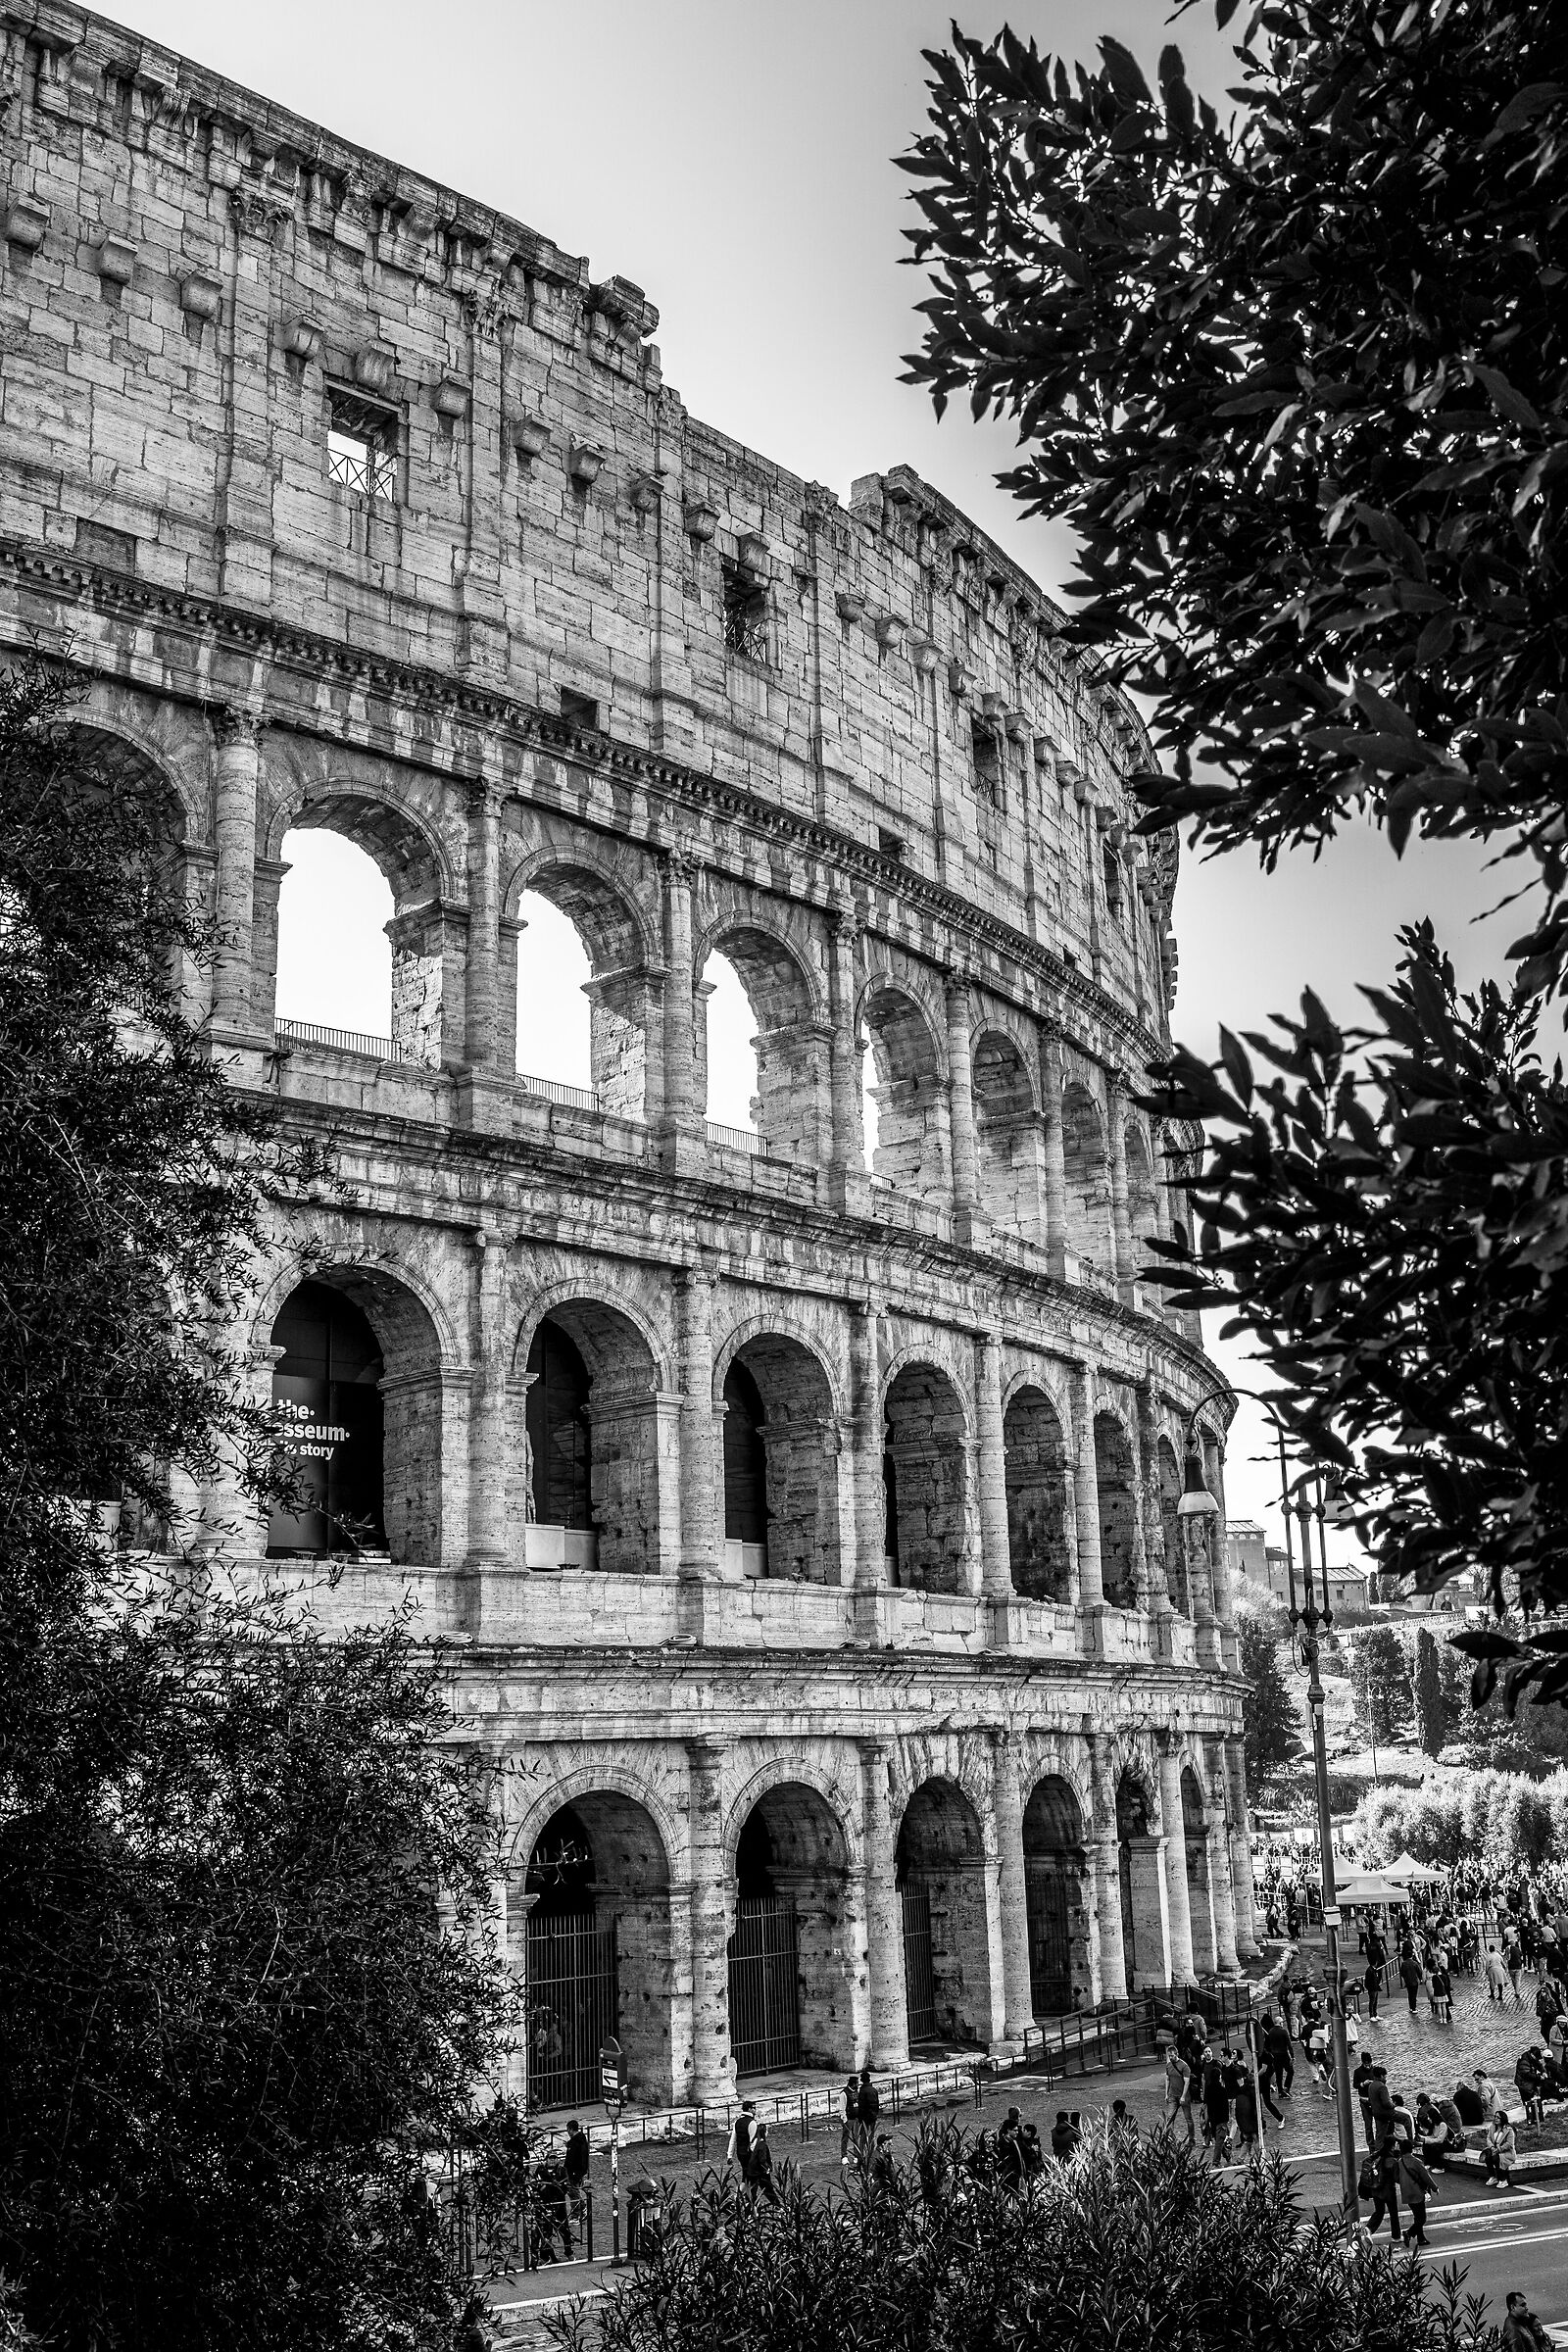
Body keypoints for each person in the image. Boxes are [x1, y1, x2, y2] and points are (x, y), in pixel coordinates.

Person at [1398, 2143, 1438, 2249]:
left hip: (1406, 2193)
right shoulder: (1416, 2161)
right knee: (1422, 2218)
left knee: (1417, 2216)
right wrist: (1434, 2188)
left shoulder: (1400, 2162)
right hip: (1417, 2192)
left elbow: (1396, 2177)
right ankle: (1409, 2233)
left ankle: (1421, 2238)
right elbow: (1426, 2176)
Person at [564, 2119, 591, 2241]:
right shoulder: (580, 2141)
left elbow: (572, 2159)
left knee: (573, 2192)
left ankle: (577, 2214)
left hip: (573, 2172)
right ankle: (583, 2207)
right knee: (574, 2191)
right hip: (578, 2171)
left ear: (570, 2129)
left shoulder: (575, 2143)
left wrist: (570, 2172)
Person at [1164, 2042, 1195, 2144]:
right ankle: (1171, 2139)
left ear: (1176, 2054)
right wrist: (1166, 2094)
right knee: (1169, 2118)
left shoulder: (1184, 2066)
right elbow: (1168, 2079)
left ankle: (1191, 2139)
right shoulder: (1168, 2066)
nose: (1171, 2058)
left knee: (1188, 2118)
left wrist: (1183, 2096)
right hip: (1173, 2095)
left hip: (1183, 2095)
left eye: (1172, 2055)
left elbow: (1187, 2082)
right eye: (1169, 2056)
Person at [746, 2119, 779, 2203]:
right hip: (759, 2172)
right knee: (768, 2190)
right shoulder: (763, 2145)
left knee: (752, 2192)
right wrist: (767, 2169)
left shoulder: (756, 2143)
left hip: (752, 2171)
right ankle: (778, 2206)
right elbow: (762, 2160)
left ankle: (749, 2209)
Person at [1484, 2110, 1517, 2189]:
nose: (1496, 2118)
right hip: (1494, 2149)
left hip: (1506, 2153)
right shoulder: (1492, 2127)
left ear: (1503, 2119)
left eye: (1498, 2117)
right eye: (1495, 2116)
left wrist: (1499, 2150)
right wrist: (1492, 2147)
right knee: (1488, 2156)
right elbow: (1488, 2138)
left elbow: (1509, 2144)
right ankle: (1493, 2176)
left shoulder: (1509, 2130)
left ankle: (1503, 2179)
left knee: (1496, 2158)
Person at [856, 2066, 880, 2156]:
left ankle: (862, 2154)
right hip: (873, 2116)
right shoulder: (873, 2090)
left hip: (865, 2117)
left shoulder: (863, 2091)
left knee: (862, 2137)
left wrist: (860, 2117)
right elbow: (877, 2104)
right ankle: (870, 2153)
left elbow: (861, 2106)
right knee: (871, 2136)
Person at [1399, 1942, 1426, 2016]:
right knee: (1414, 1995)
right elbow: (1419, 1972)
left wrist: (1405, 1978)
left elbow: (1402, 1973)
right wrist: (1420, 1979)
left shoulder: (1404, 1963)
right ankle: (1414, 2008)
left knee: (1410, 1994)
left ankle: (1411, 2007)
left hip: (1408, 1981)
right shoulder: (1415, 1963)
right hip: (1414, 1981)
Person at [839, 2075, 859, 2164]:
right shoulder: (844, 2093)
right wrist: (844, 2120)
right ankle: (844, 2156)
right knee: (845, 2138)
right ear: (853, 2084)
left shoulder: (856, 2092)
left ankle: (856, 2155)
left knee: (856, 2137)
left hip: (856, 2118)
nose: (858, 2085)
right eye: (857, 2083)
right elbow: (842, 2108)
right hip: (849, 2119)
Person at [1429, 1958, 1452, 2024]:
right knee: (1444, 2006)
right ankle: (1445, 2019)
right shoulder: (1444, 1976)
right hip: (1443, 1992)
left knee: (1439, 2006)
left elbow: (1433, 1986)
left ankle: (1440, 2019)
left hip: (1437, 1993)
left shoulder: (1434, 1977)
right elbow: (1446, 1984)